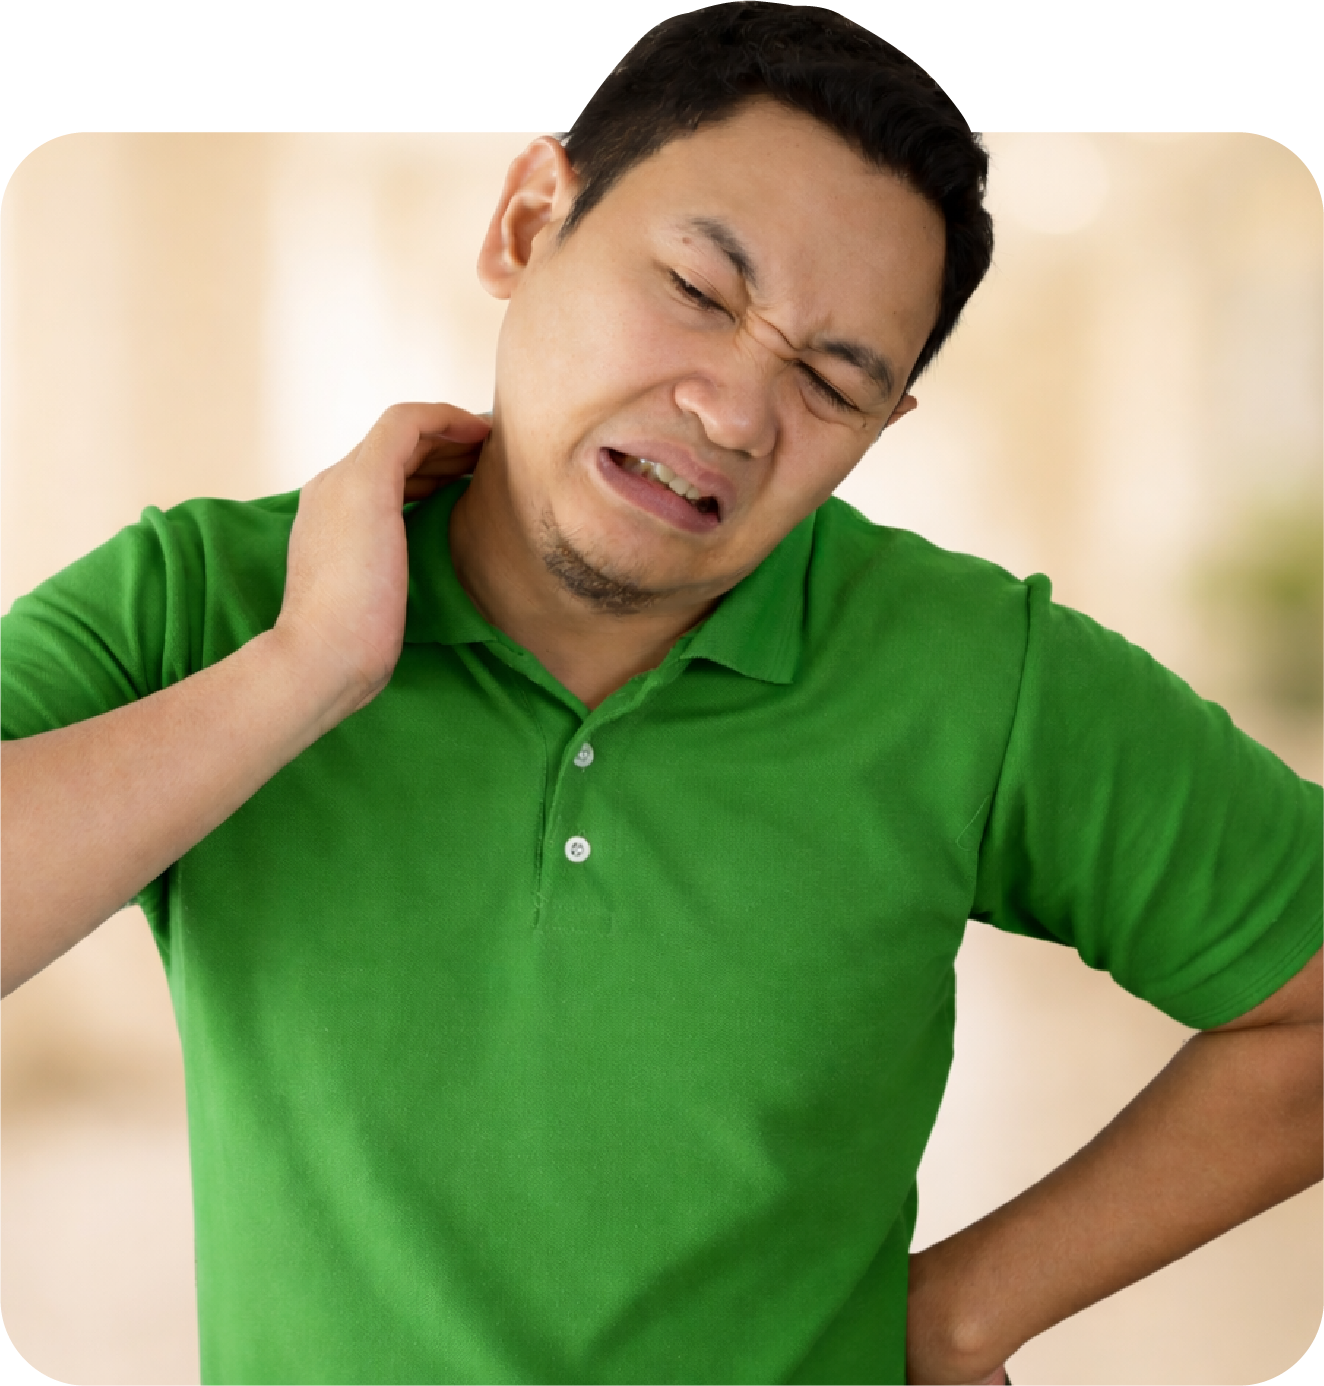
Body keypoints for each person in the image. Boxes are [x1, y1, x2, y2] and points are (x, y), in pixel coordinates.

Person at [2, 7, 1323, 1385]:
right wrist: (306, 668)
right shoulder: (202, 600)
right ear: (526, 223)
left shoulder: (979, 670)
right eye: (699, 289)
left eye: (830, 379)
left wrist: (962, 1310)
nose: (737, 410)